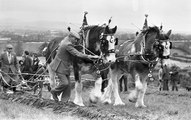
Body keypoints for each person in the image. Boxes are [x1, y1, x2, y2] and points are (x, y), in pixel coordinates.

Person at [49, 30, 100, 103]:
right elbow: (77, 54)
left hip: (65, 67)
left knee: (68, 86)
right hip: (59, 66)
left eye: (77, 39)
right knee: (65, 83)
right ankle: (54, 91)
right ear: (70, 37)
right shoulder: (67, 45)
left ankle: (64, 101)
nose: (76, 41)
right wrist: (90, 56)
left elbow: (74, 47)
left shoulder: (66, 41)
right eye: (75, 39)